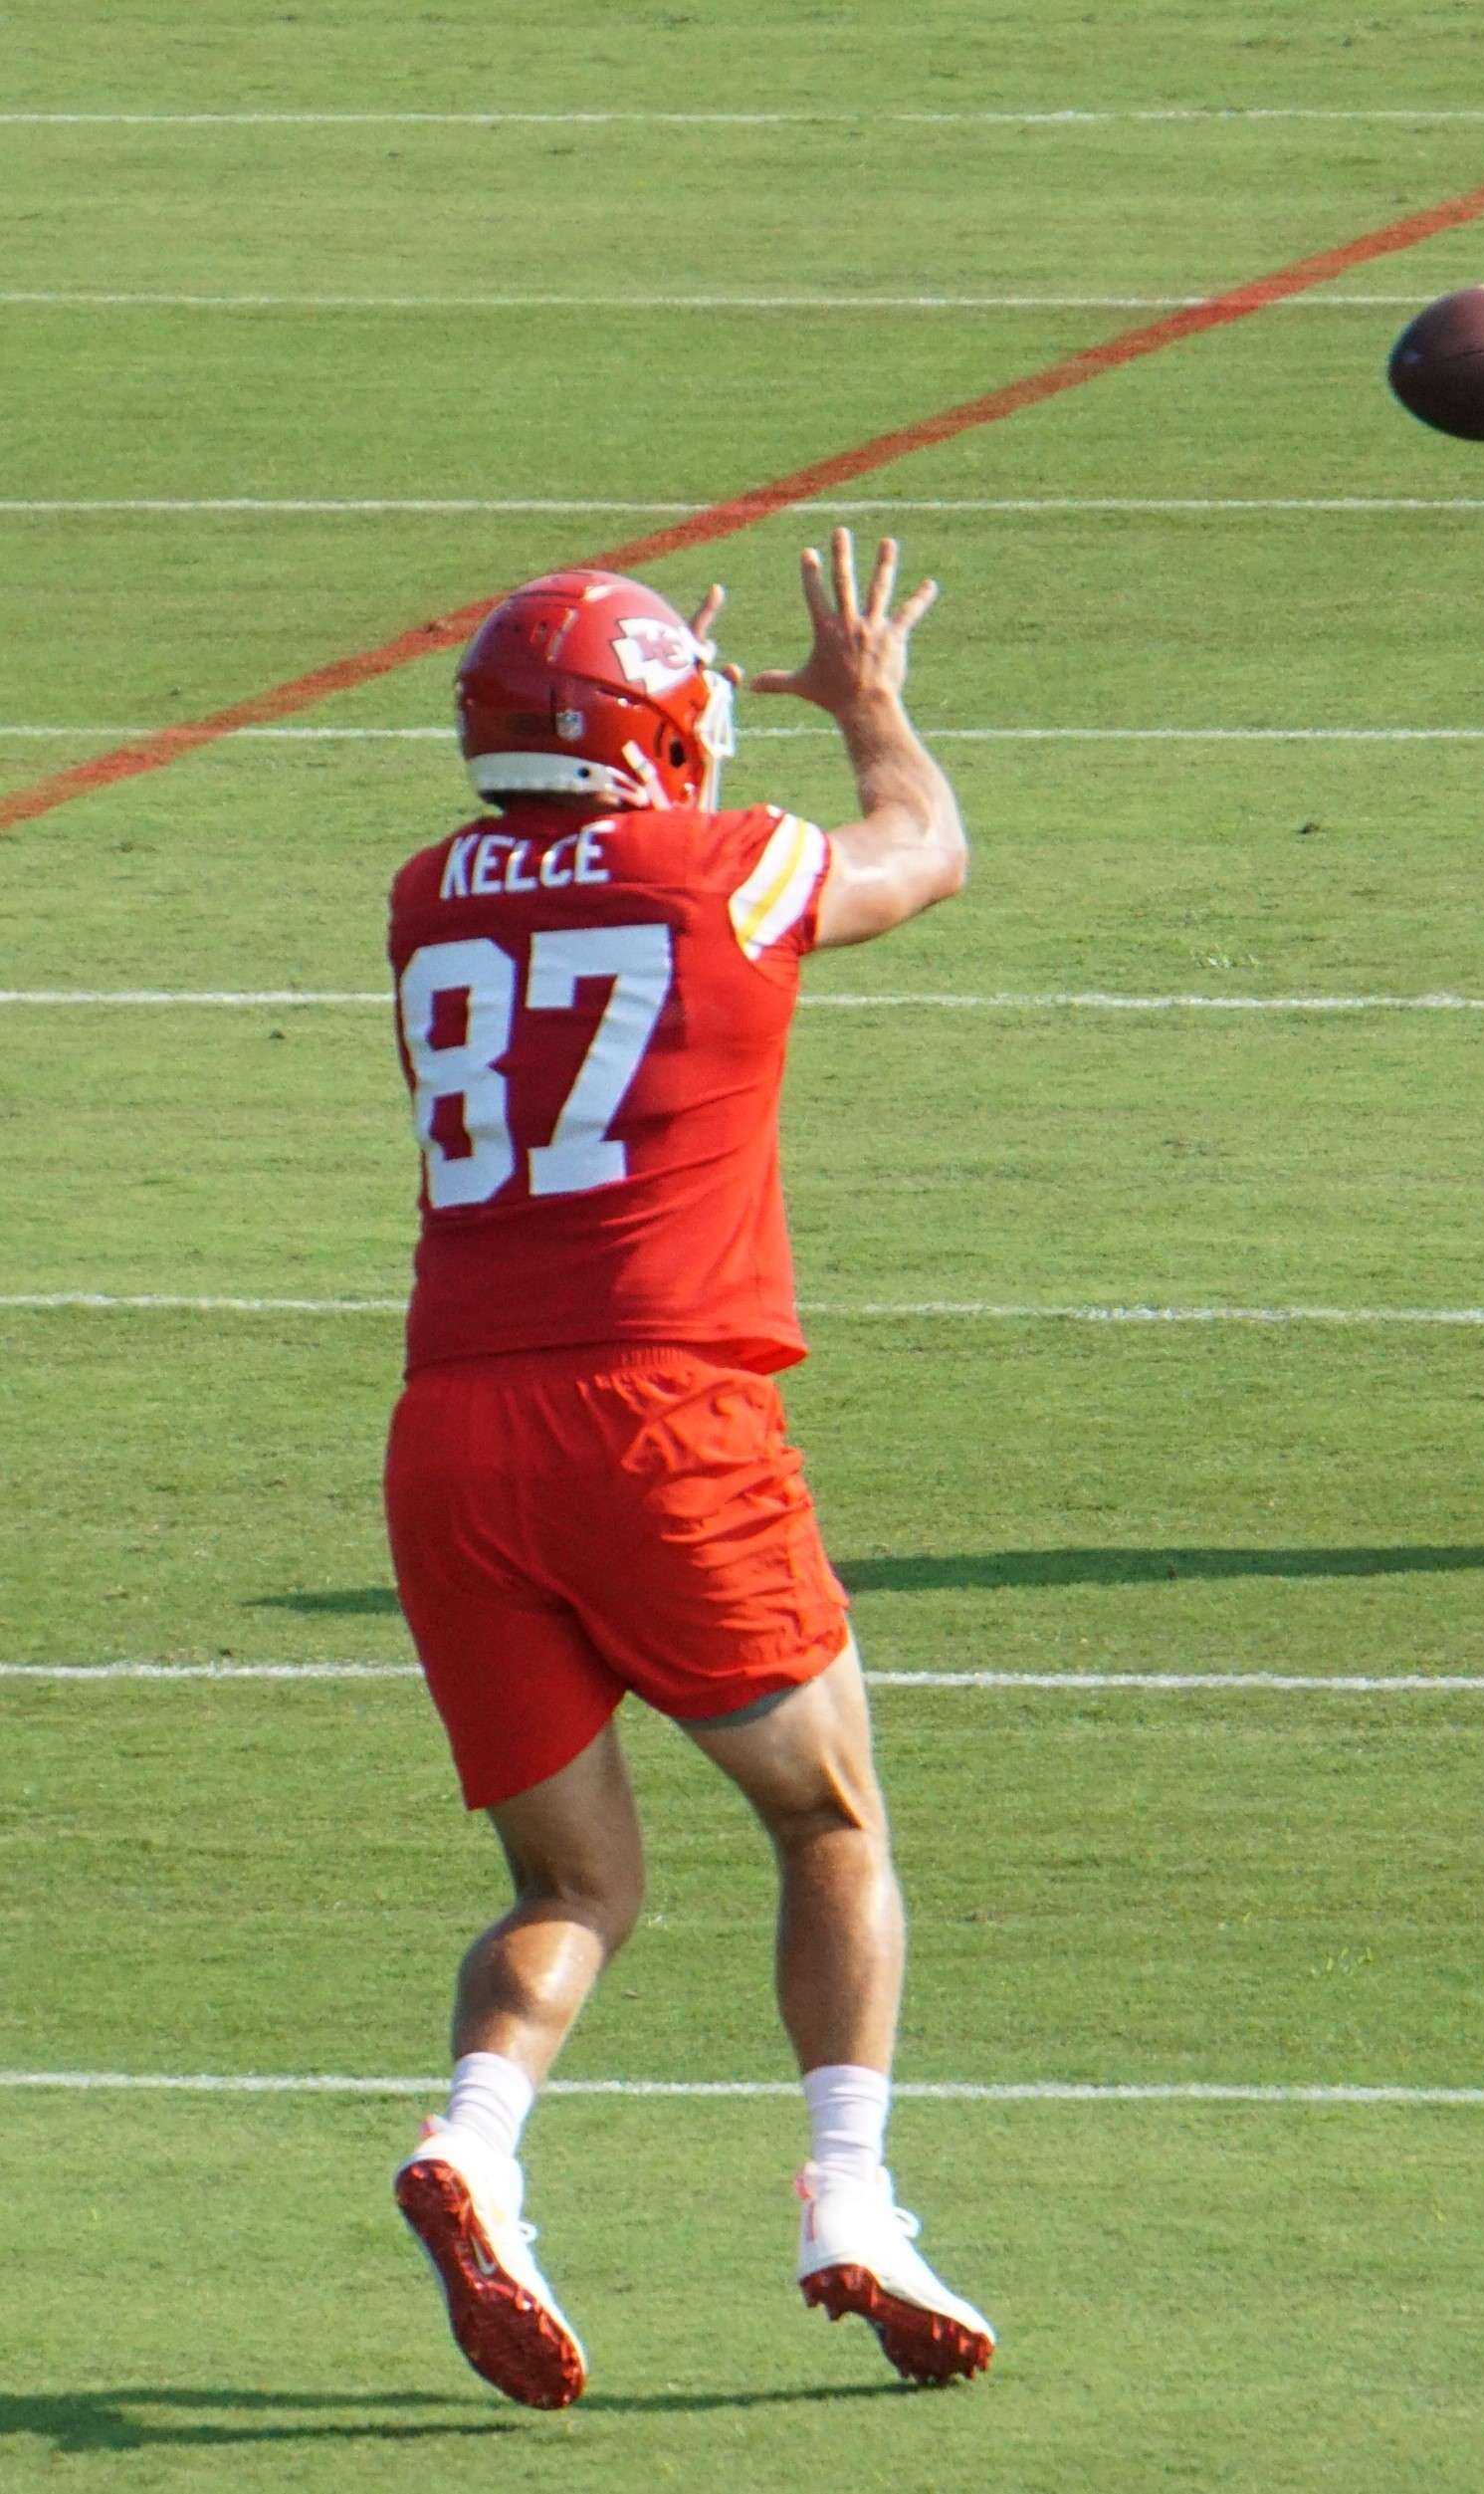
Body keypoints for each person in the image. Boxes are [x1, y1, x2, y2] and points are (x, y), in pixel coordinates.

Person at [380, 532, 990, 2406]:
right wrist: (870, 708)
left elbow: (570, 853)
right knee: (827, 1820)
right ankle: (853, 2206)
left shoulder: (422, 895)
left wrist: (654, 704)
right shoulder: (726, 863)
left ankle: (478, 2137)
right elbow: (921, 850)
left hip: (453, 1431)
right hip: (657, 1417)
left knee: (571, 1877)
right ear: (656, 737)